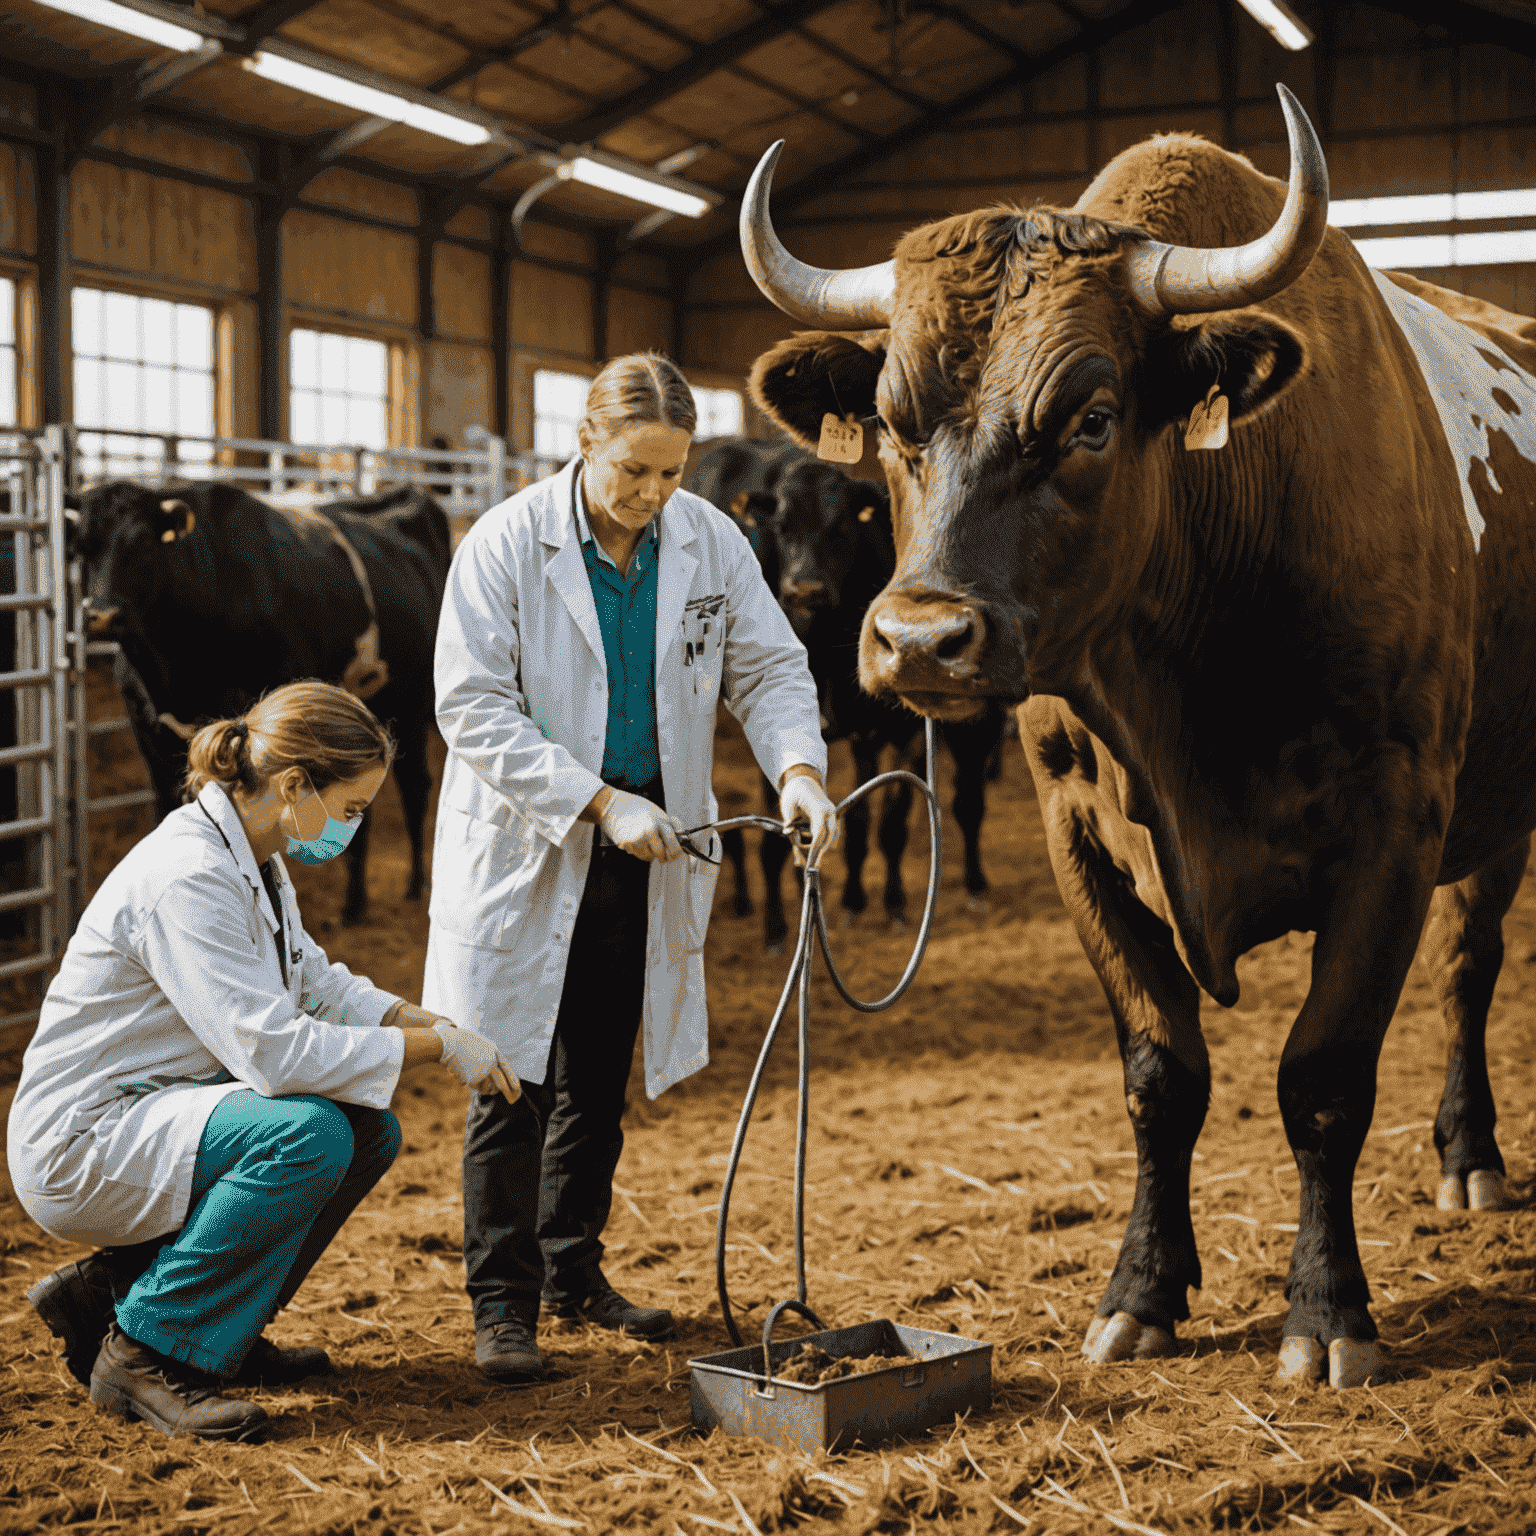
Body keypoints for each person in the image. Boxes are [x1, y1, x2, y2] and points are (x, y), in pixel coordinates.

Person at [425, 352, 836, 1383]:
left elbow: (770, 664)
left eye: (671, 473)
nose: (653, 496)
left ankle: (573, 1270)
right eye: (634, 472)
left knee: (598, 1077)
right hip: (535, 842)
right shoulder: (506, 545)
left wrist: (795, 768)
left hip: (650, 851)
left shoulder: (707, 541)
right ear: (584, 444)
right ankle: (503, 1305)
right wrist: (599, 802)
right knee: (511, 1075)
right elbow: (469, 706)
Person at [9, 681, 520, 1441]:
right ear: (293, 786)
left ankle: (167, 1310)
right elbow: (274, 1054)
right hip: (83, 1142)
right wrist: (435, 1048)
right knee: (305, 1134)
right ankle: (149, 1352)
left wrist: (422, 1017)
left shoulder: (255, 853)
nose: (350, 828)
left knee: (365, 1130)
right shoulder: (190, 875)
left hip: (153, 1113)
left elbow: (312, 980)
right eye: (349, 811)